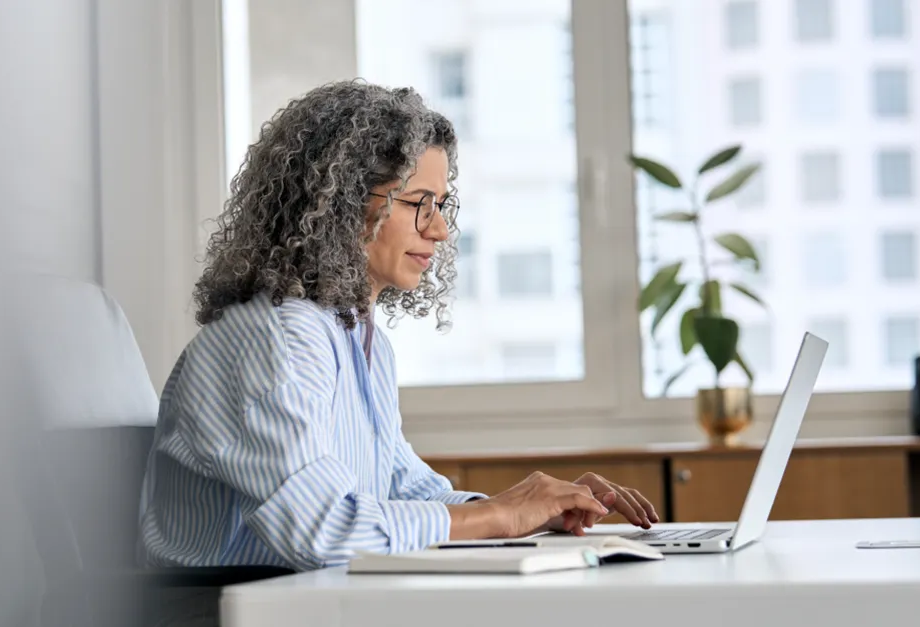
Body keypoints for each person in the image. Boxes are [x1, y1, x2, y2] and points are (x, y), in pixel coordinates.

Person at [139, 80, 658, 572]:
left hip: (305, 601)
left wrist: (535, 508)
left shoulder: (356, 338)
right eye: (417, 205)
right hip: (222, 610)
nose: (438, 230)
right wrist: (500, 516)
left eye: (441, 206)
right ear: (339, 205)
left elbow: (406, 491)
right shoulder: (274, 341)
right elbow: (322, 529)